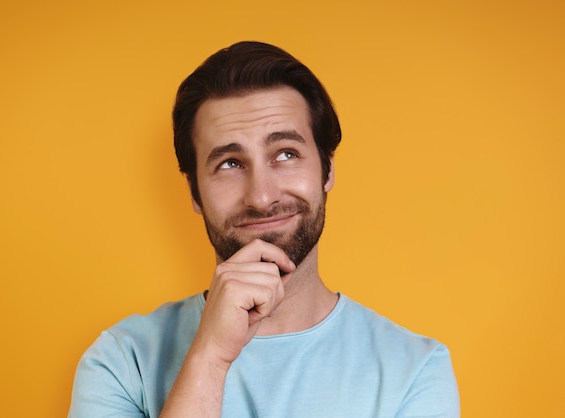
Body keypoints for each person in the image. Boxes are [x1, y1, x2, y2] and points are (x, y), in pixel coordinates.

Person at [68, 41, 460, 418]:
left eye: (286, 154)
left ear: (327, 169)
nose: (261, 196)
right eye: (230, 164)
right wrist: (211, 356)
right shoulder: (121, 360)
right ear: (194, 192)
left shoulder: (415, 371)